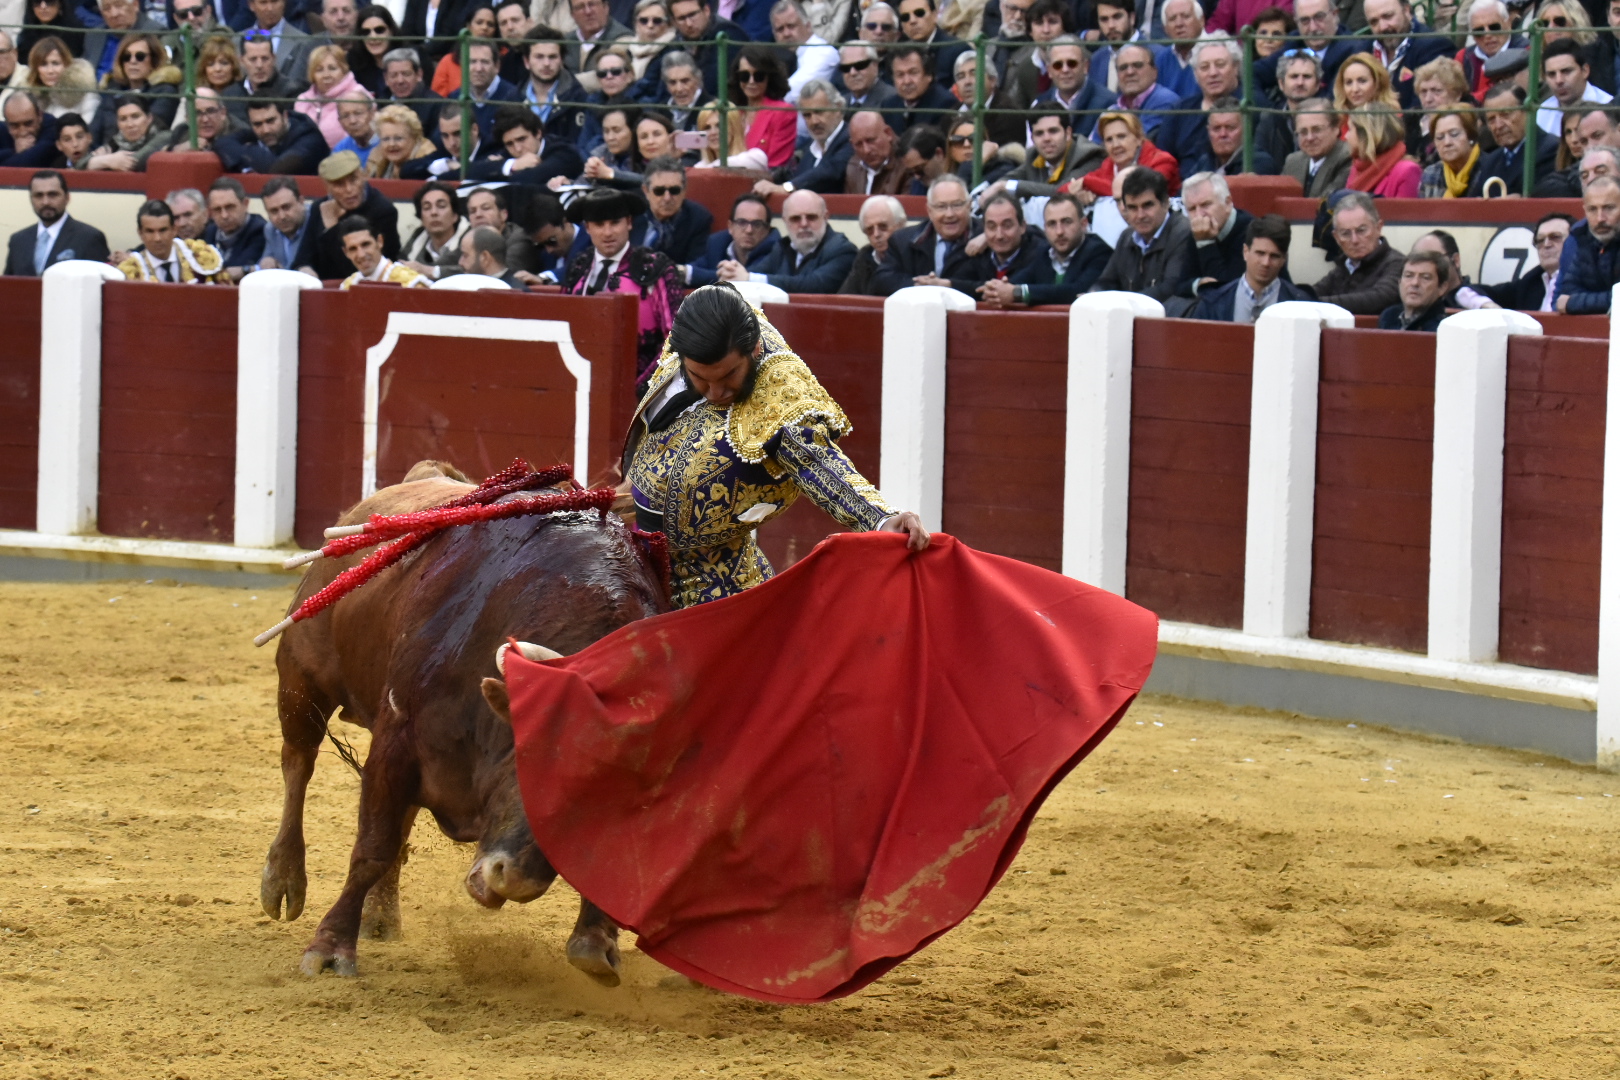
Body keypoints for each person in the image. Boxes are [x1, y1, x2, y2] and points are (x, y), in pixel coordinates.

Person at [624, 282, 928, 610]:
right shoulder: (698, 329)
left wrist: (882, 519)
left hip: (712, 587)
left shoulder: (781, 394)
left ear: (754, 350)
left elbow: (819, 464)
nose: (714, 392)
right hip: (635, 556)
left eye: (728, 377)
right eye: (701, 378)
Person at [562, 185, 685, 381]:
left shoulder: (655, 267)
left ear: (629, 223)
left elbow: (677, 339)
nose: (608, 232)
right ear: (587, 228)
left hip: (642, 385)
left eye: (615, 223)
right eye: (599, 224)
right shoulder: (579, 266)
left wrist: (643, 387)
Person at [975, 192, 1110, 306]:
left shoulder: (1100, 252)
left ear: (1083, 224)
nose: (1059, 232)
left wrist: (1018, 293)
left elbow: (1076, 291)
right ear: (1044, 228)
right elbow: (1015, 282)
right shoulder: (1044, 252)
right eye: (1052, 224)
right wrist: (995, 290)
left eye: (1067, 222)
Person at [720, 188, 855, 292]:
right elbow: (753, 272)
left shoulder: (843, 249)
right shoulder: (782, 248)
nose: (803, 224)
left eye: (811, 217)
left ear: (825, 217)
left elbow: (813, 285)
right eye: (795, 219)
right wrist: (732, 272)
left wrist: (749, 278)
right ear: (785, 221)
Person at [1091, 166, 1194, 300]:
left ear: (1165, 203)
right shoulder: (1126, 236)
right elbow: (1106, 282)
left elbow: (1170, 288)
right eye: (1132, 208)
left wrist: (1124, 302)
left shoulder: (1183, 232)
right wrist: (1093, 295)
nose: (1140, 215)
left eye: (1147, 205)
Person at [872, 173, 978, 294]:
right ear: (929, 211)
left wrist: (950, 286)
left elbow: (989, 286)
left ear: (969, 206)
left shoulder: (988, 238)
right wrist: (922, 287)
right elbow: (882, 281)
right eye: (941, 206)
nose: (949, 214)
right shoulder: (902, 240)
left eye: (957, 205)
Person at [1192, 213, 1309, 322]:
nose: (1265, 263)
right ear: (1245, 252)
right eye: (1260, 253)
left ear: (1284, 259)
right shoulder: (1213, 303)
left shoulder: (1303, 307)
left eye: (1274, 256)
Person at [1310, 190, 1403, 315]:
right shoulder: (1344, 266)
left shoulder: (1397, 263)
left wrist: (1314, 303)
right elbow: (1312, 293)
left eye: (1361, 230)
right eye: (1346, 233)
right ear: (1336, 237)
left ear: (1378, 227)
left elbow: (1379, 298)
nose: (1354, 240)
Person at [1253, 0, 1370, 99]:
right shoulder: (1295, 41)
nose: (1313, 28)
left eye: (1319, 17)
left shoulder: (1352, 49)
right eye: (1305, 20)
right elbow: (1253, 72)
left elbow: (1331, 100)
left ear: (1335, 15)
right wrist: (1267, 109)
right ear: (1296, 22)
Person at [309, 149, 399, 277]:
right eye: (339, 184)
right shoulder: (319, 208)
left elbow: (362, 272)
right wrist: (306, 272)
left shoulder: (383, 211)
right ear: (327, 187)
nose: (349, 189)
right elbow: (303, 258)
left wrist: (332, 229)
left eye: (354, 180)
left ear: (363, 176)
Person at [753, 80, 851, 195]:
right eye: (807, 115)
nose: (814, 121)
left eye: (819, 112)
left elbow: (831, 171)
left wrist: (788, 187)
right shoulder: (808, 149)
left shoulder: (851, 138)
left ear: (838, 108)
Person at [4, 169, 110, 275]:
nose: (45, 202)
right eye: (39, 195)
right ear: (31, 199)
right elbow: (8, 286)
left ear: (67, 198)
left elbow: (99, 285)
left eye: (53, 194)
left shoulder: (89, 237)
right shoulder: (18, 240)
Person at [991, 106, 1101, 201]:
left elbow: (1061, 191)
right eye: (1039, 133)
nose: (1046, 139)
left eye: (1053, 131)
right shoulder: (1033, 156)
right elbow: (1003, 182)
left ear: (1068, 133)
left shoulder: (1088, 155)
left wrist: (1009, 186)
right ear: (1032, 139)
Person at [1361, 0, 1452, 111]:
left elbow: (1423, 106)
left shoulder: (1433, 46)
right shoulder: (1364, 50)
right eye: (1374, 22)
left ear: (1407, 11)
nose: (1382, 27)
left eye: (1388, 16)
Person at [1074, 110, 1179, 203]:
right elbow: (1065, 190)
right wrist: (1080, 194)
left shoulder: (1162, 161)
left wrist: (1088, 183)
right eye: (1109, 140)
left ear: (1139, 138)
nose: (1116, 145)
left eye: (1121, 137)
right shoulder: (1107, 166)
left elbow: (1139, 192)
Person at [1472, 83, 1558, 195]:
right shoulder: (1490, 161)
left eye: (1506, 115)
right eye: (1491, 119)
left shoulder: (1550, 149)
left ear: (1527, 112)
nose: (1498, 125)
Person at [1178, 170, 1252, 300]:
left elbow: (1226, 292)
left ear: (1228, 203)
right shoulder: (1198, 231)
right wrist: (1198, 285)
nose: (1199, 215)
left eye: (1205, 205)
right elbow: (1180, 286)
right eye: (1192, 209)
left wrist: (1205, 243)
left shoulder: (1250, 231)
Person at [116, 198, 229, 282]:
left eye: (163, 230)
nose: (157, 238)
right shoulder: (130, 271)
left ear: (174, 230)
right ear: (140, 233)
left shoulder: (201, 255)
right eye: (150, 231)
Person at [1476, 212, 1571, 311]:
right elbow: (1466, 292)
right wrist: (1487, 304)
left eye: (1555, 237)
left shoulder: (1584, 280)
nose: (1546, 244)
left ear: (1574, 241)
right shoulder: (1530, 282)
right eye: (1540, 240)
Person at [1555, 174, 1620, 313]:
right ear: (1584, 210)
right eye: (1592, 209)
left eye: (1609, 208)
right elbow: (1566, 293)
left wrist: (1573, 303)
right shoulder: (1584, 238)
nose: (1600, 218)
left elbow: (1568, 301)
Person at [218, 93, 330, 173]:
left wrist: (248, 150)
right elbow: (221, 142)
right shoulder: (262, 132)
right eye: (257, 124)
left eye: (271, 121)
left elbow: (274, 169)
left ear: (285, 116)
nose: (265, 130)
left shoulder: (309, 138)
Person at [633, 155, 713, 264]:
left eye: (674, 190)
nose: (667, 198)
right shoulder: (632, 211)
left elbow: (695, 265)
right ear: (646, 191)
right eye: (659, 191)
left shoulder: (698, 219)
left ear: (684, 191)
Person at [690, 191, 780, 286]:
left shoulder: (776, 251)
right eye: (742, 222)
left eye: (757, 224)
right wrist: (682, 271)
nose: (749, 230)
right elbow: (695, 268)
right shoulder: (717, 245)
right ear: (730, 227)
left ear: (766, 230)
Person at [475, 104, 583, 183]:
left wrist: (505, 168)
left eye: (522, 139)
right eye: (509, 144)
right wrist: (512, 165)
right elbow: (466, 172)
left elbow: (529, 178)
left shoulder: (564, 152)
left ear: (538, 133)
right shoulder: (508, 156)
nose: (517, 148)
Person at [669, 0, 749, 99]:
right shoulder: (674, 45)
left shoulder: (729, 35)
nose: (689, 23)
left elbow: (716, 86)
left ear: (706, 10)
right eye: (681, 18)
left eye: (693, 15)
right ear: (673, 22)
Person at [296, 44, 372, 149]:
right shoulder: (303, 101)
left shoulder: (358, 95)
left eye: (332, 68)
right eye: (319, 70)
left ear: (343, 70)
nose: (326, 75)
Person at [1031, 36, 1113, 131]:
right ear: (1049, 71)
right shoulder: (1038, 104)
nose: (1065, 70)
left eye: (1072, 63)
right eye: (1058, 65)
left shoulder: (1108, 105)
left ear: (1086, 66)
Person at [1538, 38, 1611, 136]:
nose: (1559, 80)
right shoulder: (1542, 113)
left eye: (1566, 71)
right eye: (1551, 74)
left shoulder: (1608, 107)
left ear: (1585, 71)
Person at [769, 0, 837, 104]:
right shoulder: (779, 57)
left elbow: (789, 93)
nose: (786, 34)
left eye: (791, 26)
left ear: (808, 26)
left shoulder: (823, 52)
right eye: (780, 29)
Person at [336, 214, 429, 288]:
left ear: (379, 241)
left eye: (366, 244)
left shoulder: (412, 284)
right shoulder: (347, 286)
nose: (361, 254)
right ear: (346, 252)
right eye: (353, 249)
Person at [1344, 105, 1419, 197]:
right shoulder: (1357, 167)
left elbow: (1406, 211)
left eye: (1350, 129)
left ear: (1366, 134)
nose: (1346, 136)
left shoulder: (1407, 171)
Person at [400, 179, 469, 279]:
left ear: (455, 215)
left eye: (441, 206)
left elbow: (476, 272)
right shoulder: (414, 244)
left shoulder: (472, 241)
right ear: (421, 219)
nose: (434, 212)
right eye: (427, 208)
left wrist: (431, 271)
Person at [839, 193, 905, 295]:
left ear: (901, 225)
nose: (876, 234)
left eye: (883, 226)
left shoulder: (914, 256)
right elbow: (846, 299)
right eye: (870, 230)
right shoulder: (865, 256)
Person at [1282, 98, 1351, 196]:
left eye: (1317, 130)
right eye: (1303, 132)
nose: (1310, 138)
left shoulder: (1347, 157)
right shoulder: (1293, 162)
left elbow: (1326, 202)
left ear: (1336, 128)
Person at [25, 36, 101, 126]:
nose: (50, 71)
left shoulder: (85, 94)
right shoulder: (30, 98)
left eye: (55, 63)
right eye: (43, 64)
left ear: (66, 64)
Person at [203, 176, 267, 280]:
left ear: (245, 204)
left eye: (230, 207)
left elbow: (235, 267)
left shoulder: (260, 230)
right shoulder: (210, 231)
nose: (224, 215)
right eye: (217, 209)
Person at [467, 185, 539, 273]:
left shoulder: (519, 239)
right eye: (472, 211)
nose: (478, 215)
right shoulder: (467, 238)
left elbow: (501, 271)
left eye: (486, 208)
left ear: (503, 215)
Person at [239, 0, 314, 85]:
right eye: (263, 2)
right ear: (251, 5)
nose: (270, 8)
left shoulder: (305, 42)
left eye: (275, 2)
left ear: (284, 3)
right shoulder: (236, 41)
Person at [1457, 0, 1520, 101]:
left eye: (1494, 27)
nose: (1488, 35)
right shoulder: (1463, 57)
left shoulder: (1525, 50)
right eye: (1479, 31)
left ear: (1508, 24)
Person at [888, 44, 955, 134]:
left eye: (913, 72)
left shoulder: (945, 104)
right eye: (900, 75)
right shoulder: (889, 105)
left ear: (929, 75)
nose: (907, 81)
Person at [1376, 249, 1450, 331]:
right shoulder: (1388, 316)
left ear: (1442, 287)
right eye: (1408, 276)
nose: (1415, 283)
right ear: (1399, 282)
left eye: (1425, 278)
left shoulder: (1443, 327)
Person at [258, 174, 319, 272]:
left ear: (301, 201)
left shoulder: (317, 221)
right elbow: (265, 262)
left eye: (286, 207)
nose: (282, 216)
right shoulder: (270, 229)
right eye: (274, 211)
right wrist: (266, 262)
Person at [895, 0, 966, 82]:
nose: (912, 21)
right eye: (905, 17)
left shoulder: (957, 50)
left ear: (935, 15)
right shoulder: (898, 55)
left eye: (919, 13)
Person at [1418, 108, 1481, 197]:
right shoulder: (1430, 174)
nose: (1447, 142)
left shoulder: (1488, 168)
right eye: (1440, 137)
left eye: (1454, 134)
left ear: (1470, 136)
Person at [379, 47, 443, 134]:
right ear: (386, 78)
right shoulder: (381, 102)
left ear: (419, 75)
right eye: (394, 75)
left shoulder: (436, 105)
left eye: (406, 74)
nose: (400, 80)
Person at [842, 108, 906, 193]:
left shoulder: (906, 164)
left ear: (888, 133)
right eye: (858, 144)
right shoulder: (853, 166)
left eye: (871, 140)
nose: (866, 150)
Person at [238, 33, 304, 116]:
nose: (259, 65)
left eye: (265, 58)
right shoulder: (231, 93)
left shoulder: (291, 92)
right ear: (241, 61)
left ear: (273, 59)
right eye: (253, 59)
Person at [837, 42, 901, 118]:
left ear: (875, 65)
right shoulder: (839, 104)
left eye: (860, 65)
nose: (852, 73)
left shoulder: (893, 100)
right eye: (846, 68)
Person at [2, 91, 62, 170]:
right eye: (15, 126)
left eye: (28, 124)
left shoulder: (54, 128)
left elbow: (28, 163)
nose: (23, 132)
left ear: (40, 116)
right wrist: (14, 151)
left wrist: (13, 153)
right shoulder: (2, 130)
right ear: (6, 123)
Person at [459, 223, 526, 285]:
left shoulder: (515, 293)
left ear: (485, 258)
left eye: (465, 255)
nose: (460, 262)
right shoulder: (465, 286)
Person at [332, 95, 379, 163]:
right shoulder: (341, 149)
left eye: (358, 113)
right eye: (345, 116)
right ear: (340, 122)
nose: (352, 121)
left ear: (372, 114)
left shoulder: (387, 143)